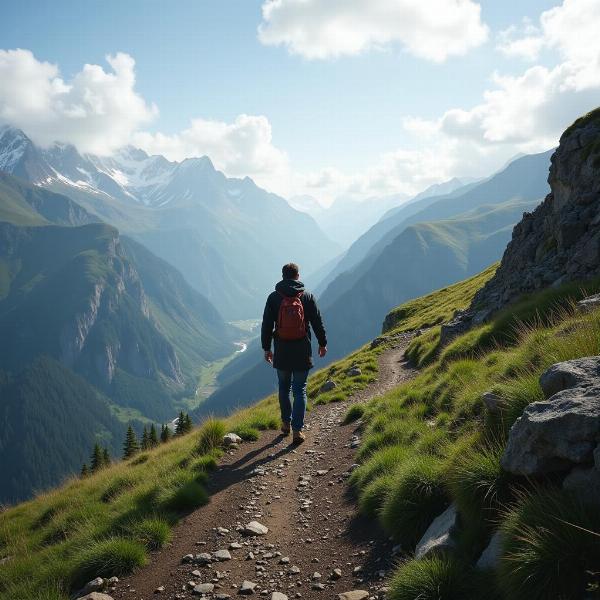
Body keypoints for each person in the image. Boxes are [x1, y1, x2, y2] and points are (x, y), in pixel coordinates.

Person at [261, 263, 327, 444]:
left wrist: (266, 348)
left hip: (281, 350)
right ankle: (297, 431)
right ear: (298, 276)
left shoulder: (274, 298)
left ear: (283, 276)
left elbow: (267, 325)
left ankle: (285, 424)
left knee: (284, 387)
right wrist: (322, 343)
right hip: (302, 350)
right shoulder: (307, 297)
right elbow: (317, 322)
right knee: (300, 389)